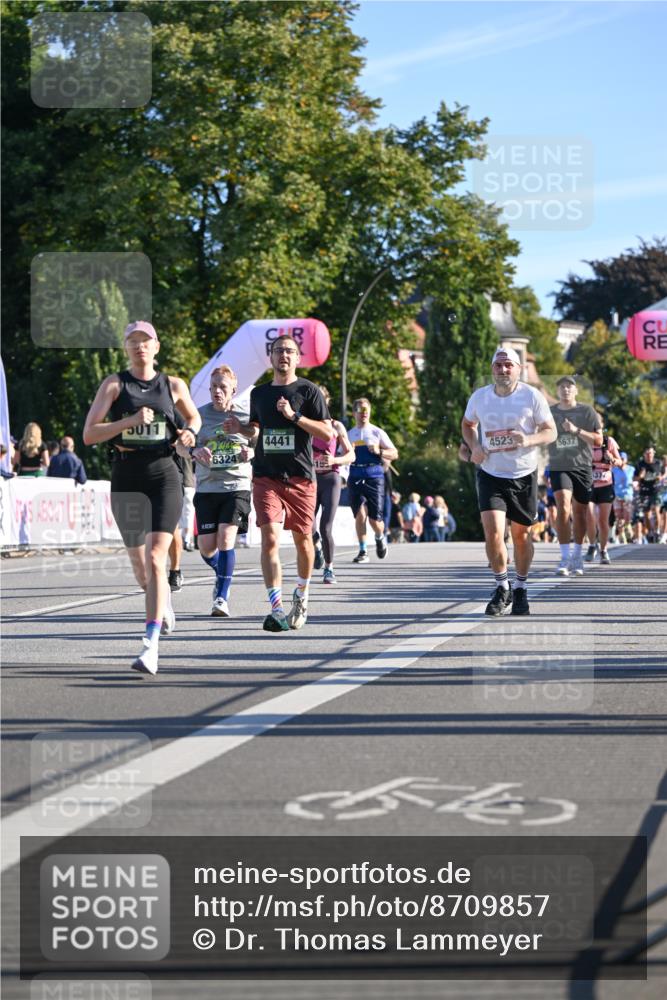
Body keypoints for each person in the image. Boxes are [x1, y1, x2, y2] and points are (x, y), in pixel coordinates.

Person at [83, 320, 200, 675]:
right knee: (140, 567)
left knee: (154, 557)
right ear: (126, 348)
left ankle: (150, 646)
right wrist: (129, 420)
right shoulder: (115, 384)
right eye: (132, 342)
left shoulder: (173, 385)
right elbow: (89, 434)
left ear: (156, 346)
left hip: (165, 475)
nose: (139, 347)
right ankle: (159, 603)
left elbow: (193, 417)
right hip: (127, 477)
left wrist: (190, 434)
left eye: (145, 341)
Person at [223, 334, 333, 632]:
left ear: (297, 358)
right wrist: (241, 428)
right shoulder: (259, 394)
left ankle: (301, 594)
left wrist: (294, 416)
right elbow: (256, 429)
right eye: (278, 351)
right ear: (270, 358)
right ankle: (277, 608)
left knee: (303, 541)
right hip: (265, 476)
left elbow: (326, 433)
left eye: (289, 351)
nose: (283, 355)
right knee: (270, 539)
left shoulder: (308, 391)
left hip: (300, 477)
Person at [462, 346, 556, 617]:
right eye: (498, 365)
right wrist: (475, 446)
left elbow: (550, 432)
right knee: (493, 532)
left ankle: (521, 588)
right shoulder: (480, 397)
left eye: (508, 365)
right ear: (492, 368)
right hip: (491, 473)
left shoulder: (532, 396)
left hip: (523, 474)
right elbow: (467, 425)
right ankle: (502, 586)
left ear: (518, 368)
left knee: (521, 536)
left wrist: (528, 440)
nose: (503, 370)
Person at [179, 364, 254, 616]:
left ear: (234, 388)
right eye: (213, 387)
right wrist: (193, 451)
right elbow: (178, 446)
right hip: (208, 488)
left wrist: (251, 452)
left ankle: (221, 598)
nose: (217, 392)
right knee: (206, 548)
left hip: (237, 487)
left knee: (225, 539)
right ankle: (222, 574)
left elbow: (261, 444)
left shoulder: (246, 417)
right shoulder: (199, 417)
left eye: (223, 387)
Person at [547, 375, 603, 577]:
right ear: (557, 391)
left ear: (576, 391)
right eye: (562, 386)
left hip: (582, 467)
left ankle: (577, 555)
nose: (566, 389)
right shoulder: (550, 412)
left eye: (569, 386)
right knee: (562, 507)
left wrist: (576, 430)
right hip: (558, 465)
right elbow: (540, 431)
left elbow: (598, 440)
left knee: (579, 513)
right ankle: (564, 556)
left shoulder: (587, 411)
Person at [311, 385, 355, 584]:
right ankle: (317, 547)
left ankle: (329, 568)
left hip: (330, 479)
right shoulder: (305, 425)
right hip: (310, 479)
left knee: (325, 526)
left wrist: (335, 460)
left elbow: (351, 455)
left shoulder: (336, 426)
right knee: (307, 526)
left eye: (321, 399)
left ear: (326, 402)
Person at [347, 398, 398, 562]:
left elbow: (395, 453)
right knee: (359, 515)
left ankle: (379, 536)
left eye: (366, 411)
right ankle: (363, 551)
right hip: (355, 476)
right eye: (360, 411)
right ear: (354, 413)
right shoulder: (349, 434)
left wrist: (379, 451)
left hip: (374, 477)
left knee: (375, 521)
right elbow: (340, 455)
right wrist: (348, 453)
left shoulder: (377, 432)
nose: (364, 414)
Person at [586, 430, 622, 564]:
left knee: (603, 520)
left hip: (606, 486)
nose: (595, 430)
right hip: (589, 485)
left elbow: (620, 462)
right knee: (589, 516)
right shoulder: (584, 441)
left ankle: (603, 550)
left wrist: (612, 459)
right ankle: (591, 545)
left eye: (597, 427)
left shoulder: (609, 442)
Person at [634, 445, 663, 543]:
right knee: (647, 514)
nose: (649, 455)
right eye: (647, 453)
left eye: (651, 453)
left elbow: (663, 474)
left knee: (656, 509)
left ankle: (657, 531)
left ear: (654, 453)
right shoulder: (640, 464)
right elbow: (634, 478)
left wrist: (661, 477)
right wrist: (640, 477)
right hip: (644, 491)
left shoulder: (658, 463)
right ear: (644, 455)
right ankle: (650, 532)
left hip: (656, 490)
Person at [612, 451, 635, 544]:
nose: (621, 460)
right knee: (619, 517)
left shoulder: (631, 469)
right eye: (620, 458)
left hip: (627, 495)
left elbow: (635, 479)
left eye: (623, 458)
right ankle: (622, 536)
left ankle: (628, 529)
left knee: (627, 516)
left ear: (626, 460)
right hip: (617, 494)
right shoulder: (613, 470)